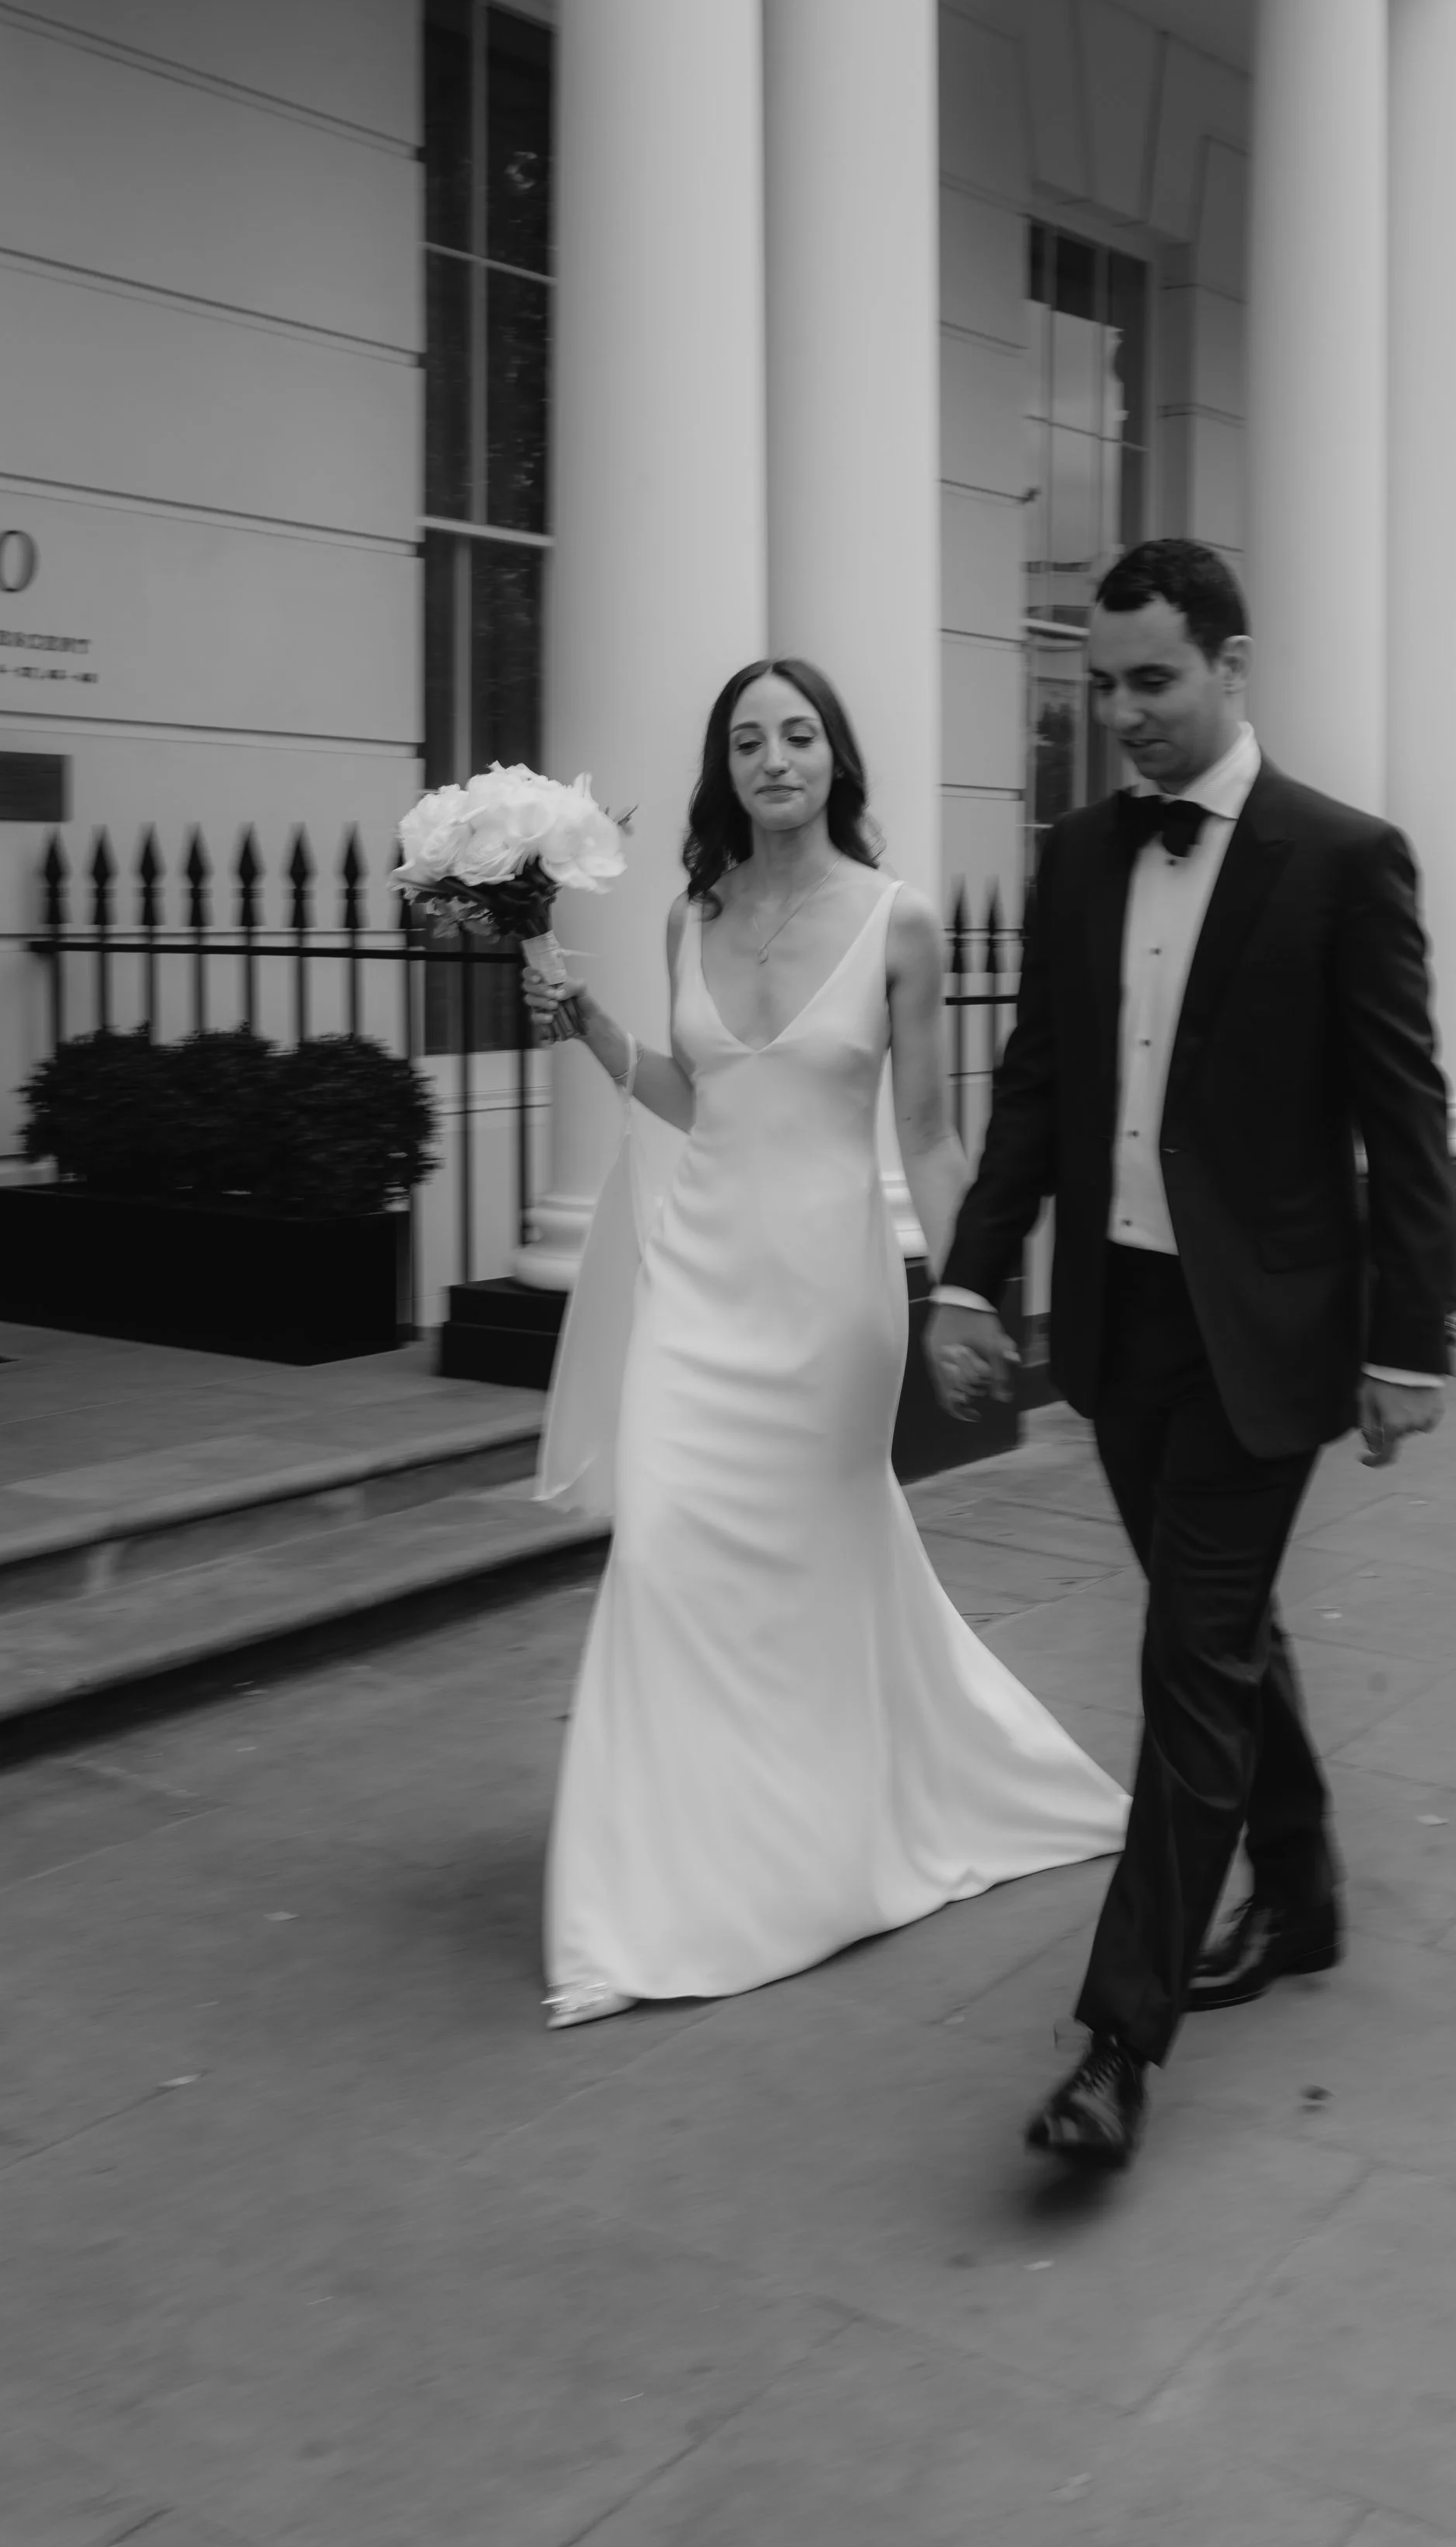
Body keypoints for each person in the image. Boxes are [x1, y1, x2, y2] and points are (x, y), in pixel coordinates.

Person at [927, 540, 1456, 2170]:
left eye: (1150, 680)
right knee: (1212, 1631)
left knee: (1188, 1659)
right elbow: (1032, 1091)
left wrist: (1406, 1342)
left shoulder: (1340, 859)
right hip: (1116, 1320)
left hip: (1267, 1329)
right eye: (1101, 686)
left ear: (1232, 668)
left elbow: (1399, 1117)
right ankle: (1295, 1891)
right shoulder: (1079, 855)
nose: (1121, 716)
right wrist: (965, 1285)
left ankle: (1114, 2041)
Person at [527, 658, 1127, 2028]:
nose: (774, 758)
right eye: (748, 739)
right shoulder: (694, 913)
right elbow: (700, 1095)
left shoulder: (896, 922)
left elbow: (923, 1130)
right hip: (700, 1284)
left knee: (814, 1566)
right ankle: (657, 1893)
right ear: (722, 767)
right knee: (664, 1551)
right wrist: (594, 1029)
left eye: (798, 735)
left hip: (827, 1299)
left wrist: (974, 1289)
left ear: (835, 760)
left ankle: (821, 1841)